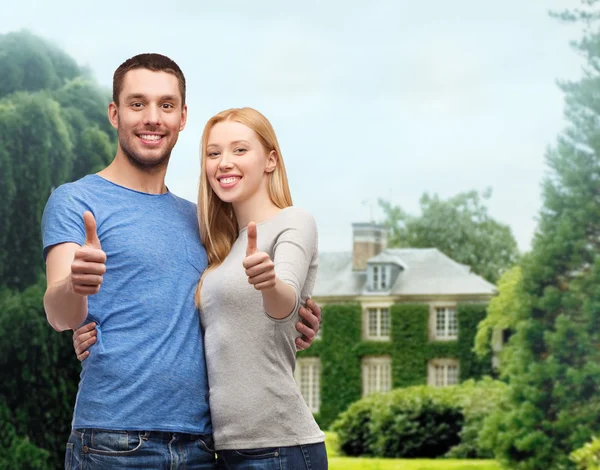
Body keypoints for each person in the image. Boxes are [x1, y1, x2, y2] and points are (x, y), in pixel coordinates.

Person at [42, 53, 320, 470]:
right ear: (115, 114)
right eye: (137, 104)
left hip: (205, 447)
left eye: (166, 105)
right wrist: (75, 286)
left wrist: (298, 313)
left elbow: (240, 303)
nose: (152, 117)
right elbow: (60, 314)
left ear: (182, 116)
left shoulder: (205, 222)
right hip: (114, 441)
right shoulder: (76, 200)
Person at [196, 107, 327, 469]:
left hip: (280, 446)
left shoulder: (294, 221)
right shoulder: (221, 248)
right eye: (213, 153)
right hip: (224, 449)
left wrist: (268, 283)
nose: (224, 162)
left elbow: (285, 302)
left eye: (239, 150)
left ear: (270, 160)